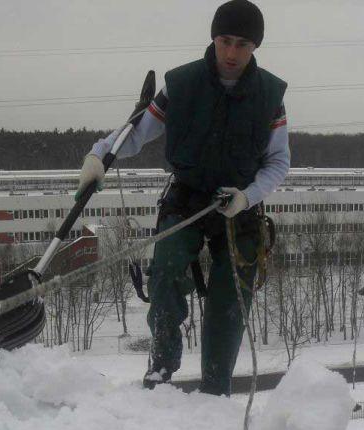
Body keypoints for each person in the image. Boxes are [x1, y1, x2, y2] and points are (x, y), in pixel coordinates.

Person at [77, 0, 289, 395]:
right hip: (188, 196)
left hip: (240, 206)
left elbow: (278, 163)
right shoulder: (182, 84)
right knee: (166, 270)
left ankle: (216, 387)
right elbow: (138, 132)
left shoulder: (269, 96)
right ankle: (160, 369)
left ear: (254, 47)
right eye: (225, 40)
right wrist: (99, 155)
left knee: (232, 298)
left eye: (242, 44)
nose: (231, 52)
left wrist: (247, 196)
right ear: (213, 38)